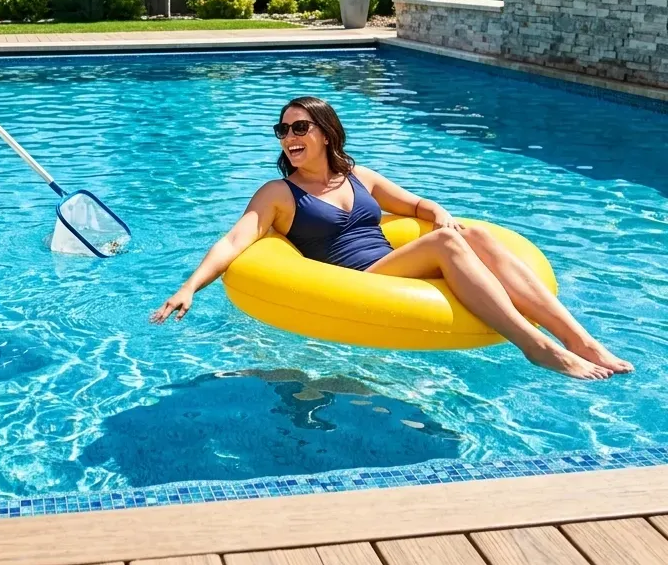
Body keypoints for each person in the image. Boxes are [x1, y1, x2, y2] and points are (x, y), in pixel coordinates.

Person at [152, 95, 632, 380]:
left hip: (393, 262)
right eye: (282, 130)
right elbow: (234, 241)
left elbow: (417, 206)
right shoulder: (279, 193)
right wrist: (189, 287)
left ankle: (582, 340)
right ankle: (536, 346)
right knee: (448, 244)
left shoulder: (357, 175)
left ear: (326, 133)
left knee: (473, 232)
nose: (288, 137)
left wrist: (441, 214)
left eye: (300, 127)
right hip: (360, 278)